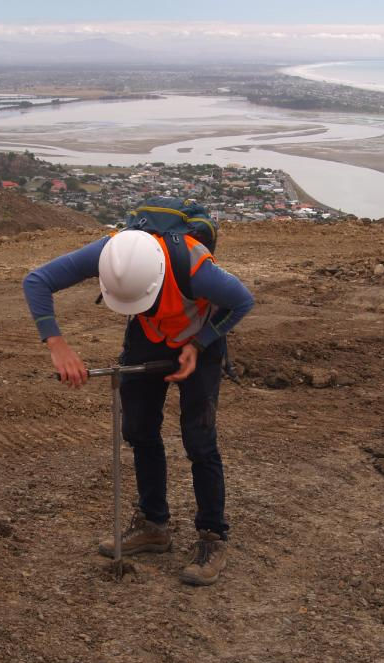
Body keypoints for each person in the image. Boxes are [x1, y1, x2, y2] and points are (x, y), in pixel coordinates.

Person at [23, 223, 254, 586]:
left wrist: (199, 344)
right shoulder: (111, 253)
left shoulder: (197, 270)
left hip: (201, 341)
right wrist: (57, 344)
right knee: (139, 429)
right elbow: (36, 281)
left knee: (199, 439)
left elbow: (243, 301)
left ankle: (212, 535)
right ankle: (153, 524)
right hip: (148, 335)